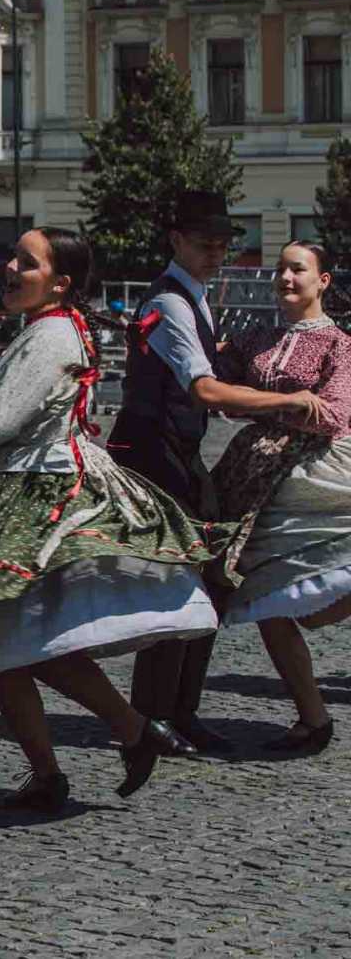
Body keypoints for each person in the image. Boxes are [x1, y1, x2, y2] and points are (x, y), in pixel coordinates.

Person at [0, 228, 233, 811]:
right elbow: (6, 390)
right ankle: (75, 759)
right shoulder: (51, 328)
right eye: (13, 257)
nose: (10, 268)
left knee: (14, 642)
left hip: (31, 496)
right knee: (1, 645)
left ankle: (116, 736)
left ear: (59, 282)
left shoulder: (52, 333)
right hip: (26, 488)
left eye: (25, 263)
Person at [105, 189, 273, 754]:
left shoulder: (193, 296)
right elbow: (202, 389)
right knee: (179, 581)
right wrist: (289, 402)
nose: (217, 254)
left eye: (224, 245)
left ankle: (177, 710)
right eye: (206, 244)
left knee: (204, 579)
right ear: (176, 240)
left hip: (178, 450)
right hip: (154, 454)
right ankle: (155, 715)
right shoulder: (172, 301)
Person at [211, 240, 346, 754]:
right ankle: (313, 717)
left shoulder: (339, 344)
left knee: (310, 591)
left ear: (323, 281)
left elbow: (334, 413)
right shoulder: (257, 337)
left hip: (312, 479)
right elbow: (216, 384)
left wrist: (267, 408)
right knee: (265, 597)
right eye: (281, 270)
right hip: (252, 475)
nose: (286, 278)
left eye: (298, 270)